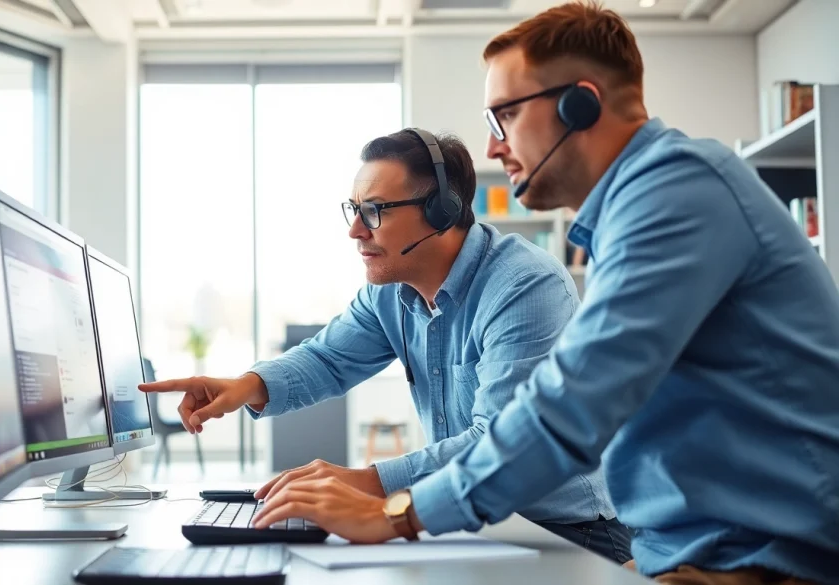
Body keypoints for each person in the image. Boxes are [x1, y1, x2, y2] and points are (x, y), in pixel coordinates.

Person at [171, 2, 839, 584]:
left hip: (763, 561)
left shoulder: (674, 198)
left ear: (580, 105)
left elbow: (568, 410)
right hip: (685, 551)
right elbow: (328, 357)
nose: (495, 148)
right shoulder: (637, 210)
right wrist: (249, 384)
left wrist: (392, 509)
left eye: (506, 117)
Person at [141, 128, 632, 561]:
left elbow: (501, 441)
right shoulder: (391, 293)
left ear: (442, 212)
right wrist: (246, 386)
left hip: (565, 533)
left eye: (373, 211)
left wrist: (366, 482)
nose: (355, 230)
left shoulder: (524, 286)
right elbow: (328, 358)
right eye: (354, 210)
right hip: (467, 523)